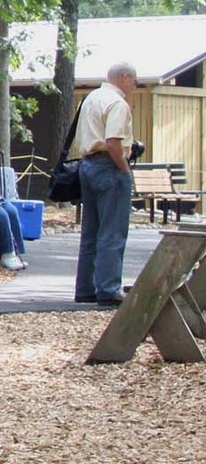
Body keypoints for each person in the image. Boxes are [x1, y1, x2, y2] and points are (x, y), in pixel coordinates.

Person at [74, 61, 137, 306]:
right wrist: (125, 169)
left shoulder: (91, 98)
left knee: (91, 230)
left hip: (87, 163)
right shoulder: (117, 103)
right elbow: (113, 142)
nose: (134, 85)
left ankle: (85, 287)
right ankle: (109, 288)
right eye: (134, 80)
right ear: (123, 77)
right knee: (113, 230)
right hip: (109, 166)